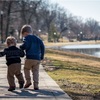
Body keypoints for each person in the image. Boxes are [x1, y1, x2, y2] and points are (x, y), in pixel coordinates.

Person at [20, 25, 45, 90]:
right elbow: (43, 47)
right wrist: (42, 56)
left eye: (23, 35)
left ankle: (28, 81)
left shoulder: (27, 38)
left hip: (29, 58)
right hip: (37, 58)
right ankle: (36, 85)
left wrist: (21, 47)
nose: (23, 36)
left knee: (26, 69)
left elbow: (25, 45)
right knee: (36, 71)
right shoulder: (38, 39)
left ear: (25, 33)